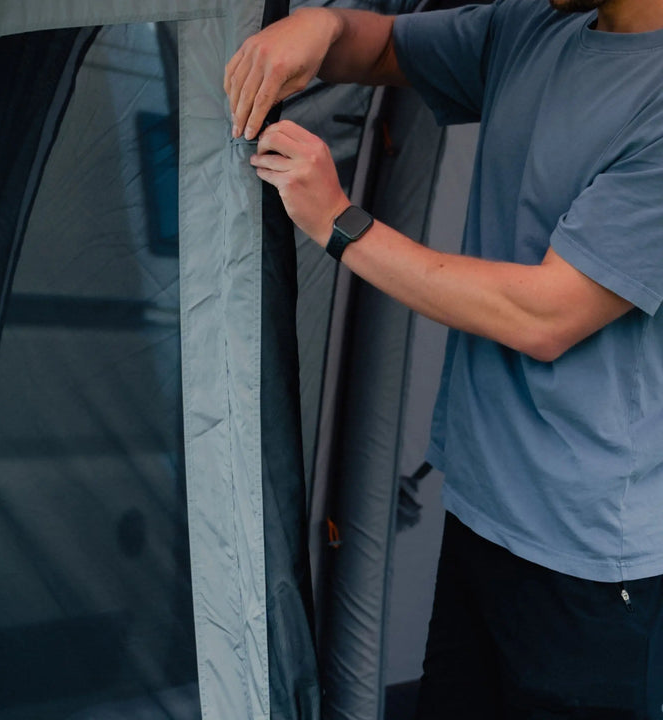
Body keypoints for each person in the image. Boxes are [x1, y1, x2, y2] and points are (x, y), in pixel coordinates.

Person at [225, 0, 663, 717]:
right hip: (481, 515)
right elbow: (383, 46)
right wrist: (323, 27)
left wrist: (341, 223)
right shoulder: (529, 28)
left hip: (589, 565)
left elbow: (547, 314)